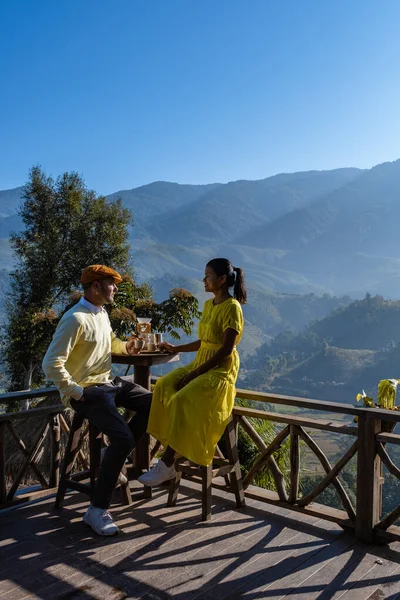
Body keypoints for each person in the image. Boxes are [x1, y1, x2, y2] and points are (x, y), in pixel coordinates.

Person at [42, 264, 152, 536]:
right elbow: (50, 363)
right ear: (95, 287)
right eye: (111, 283)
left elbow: (111, 343)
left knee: (155, 403)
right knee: (124, 439)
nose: (115, 288)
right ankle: (96, 510)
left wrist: (127, 347)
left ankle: (110, 454)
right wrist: (76, 391)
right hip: (87, 392)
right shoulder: (75, 319)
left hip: (108, 384)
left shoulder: (101, 314)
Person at [138, 258, 246, 486]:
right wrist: (177, 348)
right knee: (165, 385)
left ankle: (166, 463)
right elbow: (204, 341)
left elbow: (225, 349)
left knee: (183, 398)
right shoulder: (208, 305)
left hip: (220, 370)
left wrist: (195, 374)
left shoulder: (232, 308)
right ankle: (175, 446)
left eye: (208, 275)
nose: (203, 280)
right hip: (201, 361)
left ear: (222, 279)